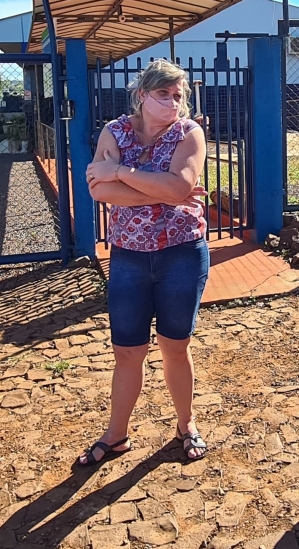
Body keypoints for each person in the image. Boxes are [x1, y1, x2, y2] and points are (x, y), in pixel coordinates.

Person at [77, 59, 211, 465]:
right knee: (128, 351)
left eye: (177, 94)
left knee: (176, 345)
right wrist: (164, 191)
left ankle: (186, 424)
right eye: (163, 94)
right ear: (141, 95)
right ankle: (116, 434)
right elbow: (101, 193)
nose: (173, 101)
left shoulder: (189, 133)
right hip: (130, 257)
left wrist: (119, 171)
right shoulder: (114, 131)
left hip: (181, 253)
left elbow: (181, 186)